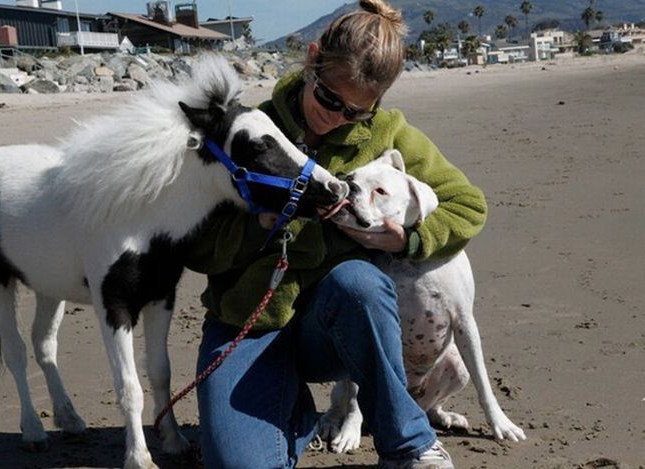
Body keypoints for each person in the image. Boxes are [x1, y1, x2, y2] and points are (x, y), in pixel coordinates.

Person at [184, 0, 487, 467]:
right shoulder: (249, 131)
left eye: (355, 112)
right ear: (311, 61)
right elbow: (198, 246)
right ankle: (293, 412)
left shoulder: (387, 135)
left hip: (331, 328)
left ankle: (408, 444)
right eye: (328, 99)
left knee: (360, 284)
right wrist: (262, 224)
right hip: (250, 323)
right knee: (237, 463)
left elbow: (468, 205)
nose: (336, 117)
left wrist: (406, 239)